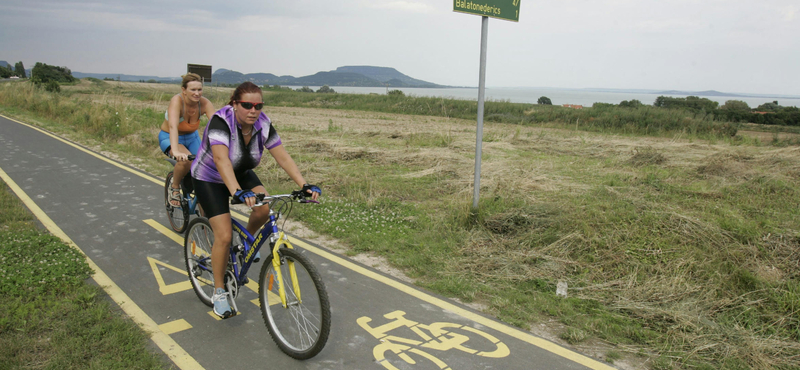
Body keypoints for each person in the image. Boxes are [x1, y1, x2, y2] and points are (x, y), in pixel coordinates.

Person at [190, 82, 320, 318]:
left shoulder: (263, 124)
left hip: (240, 172)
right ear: (235, 104)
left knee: (263, 210)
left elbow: (283, 157)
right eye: (247, 105)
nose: (253, 110)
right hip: (209, 177)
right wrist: (237, 191)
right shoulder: (221, 122)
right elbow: (221, 160)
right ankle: (219, 291)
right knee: (224, 235)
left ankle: (245, 245)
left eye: (258, 105)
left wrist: (304, 185)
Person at [158, 73, 216, 206]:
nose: (197, 93)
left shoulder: (205, 103)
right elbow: (173, 127)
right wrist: (176, 151)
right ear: (184, 90)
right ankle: (175, 187)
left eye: (199, 89)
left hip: (192, 137)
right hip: (170, 137)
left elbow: (216, 125)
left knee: (206, 165)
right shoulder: (177, 101)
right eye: (193, 90)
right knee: (186, 160)